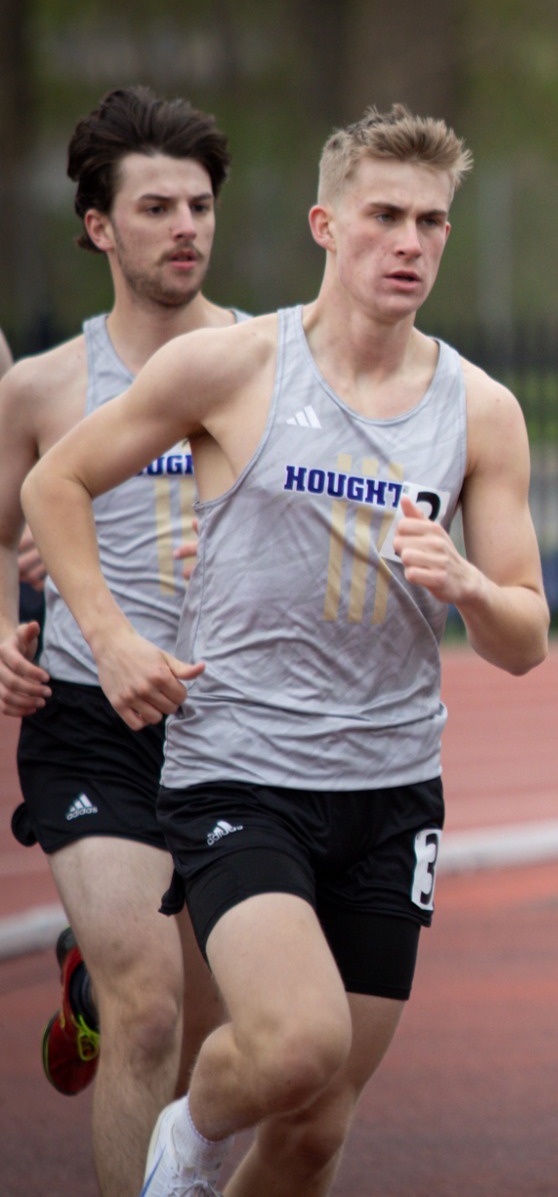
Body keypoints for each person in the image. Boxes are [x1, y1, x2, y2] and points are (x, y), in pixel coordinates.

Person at [23, 104, 549, 1197]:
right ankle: (185, 1151)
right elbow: (52, 484)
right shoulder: (234, 367)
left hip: (391, 790)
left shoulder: (480, 411)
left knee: (315, 1128)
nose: (409, 243)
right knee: (293, 1041)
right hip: (241, 771)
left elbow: (527, 637)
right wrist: (112, 640)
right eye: (385, 216)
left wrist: (466, 584)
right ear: (325, 223)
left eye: (432, 222)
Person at [0, 86, 239, 1196]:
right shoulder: (43, 388)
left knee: (210, 1040)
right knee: (152, 1013)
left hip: (238, 727)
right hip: (91, 723)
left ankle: (86, 985)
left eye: (198, 204)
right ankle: (111, 984)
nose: (185, 225)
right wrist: (4, 626)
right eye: (156, 206)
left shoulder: (267, 363)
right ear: (100, 226)